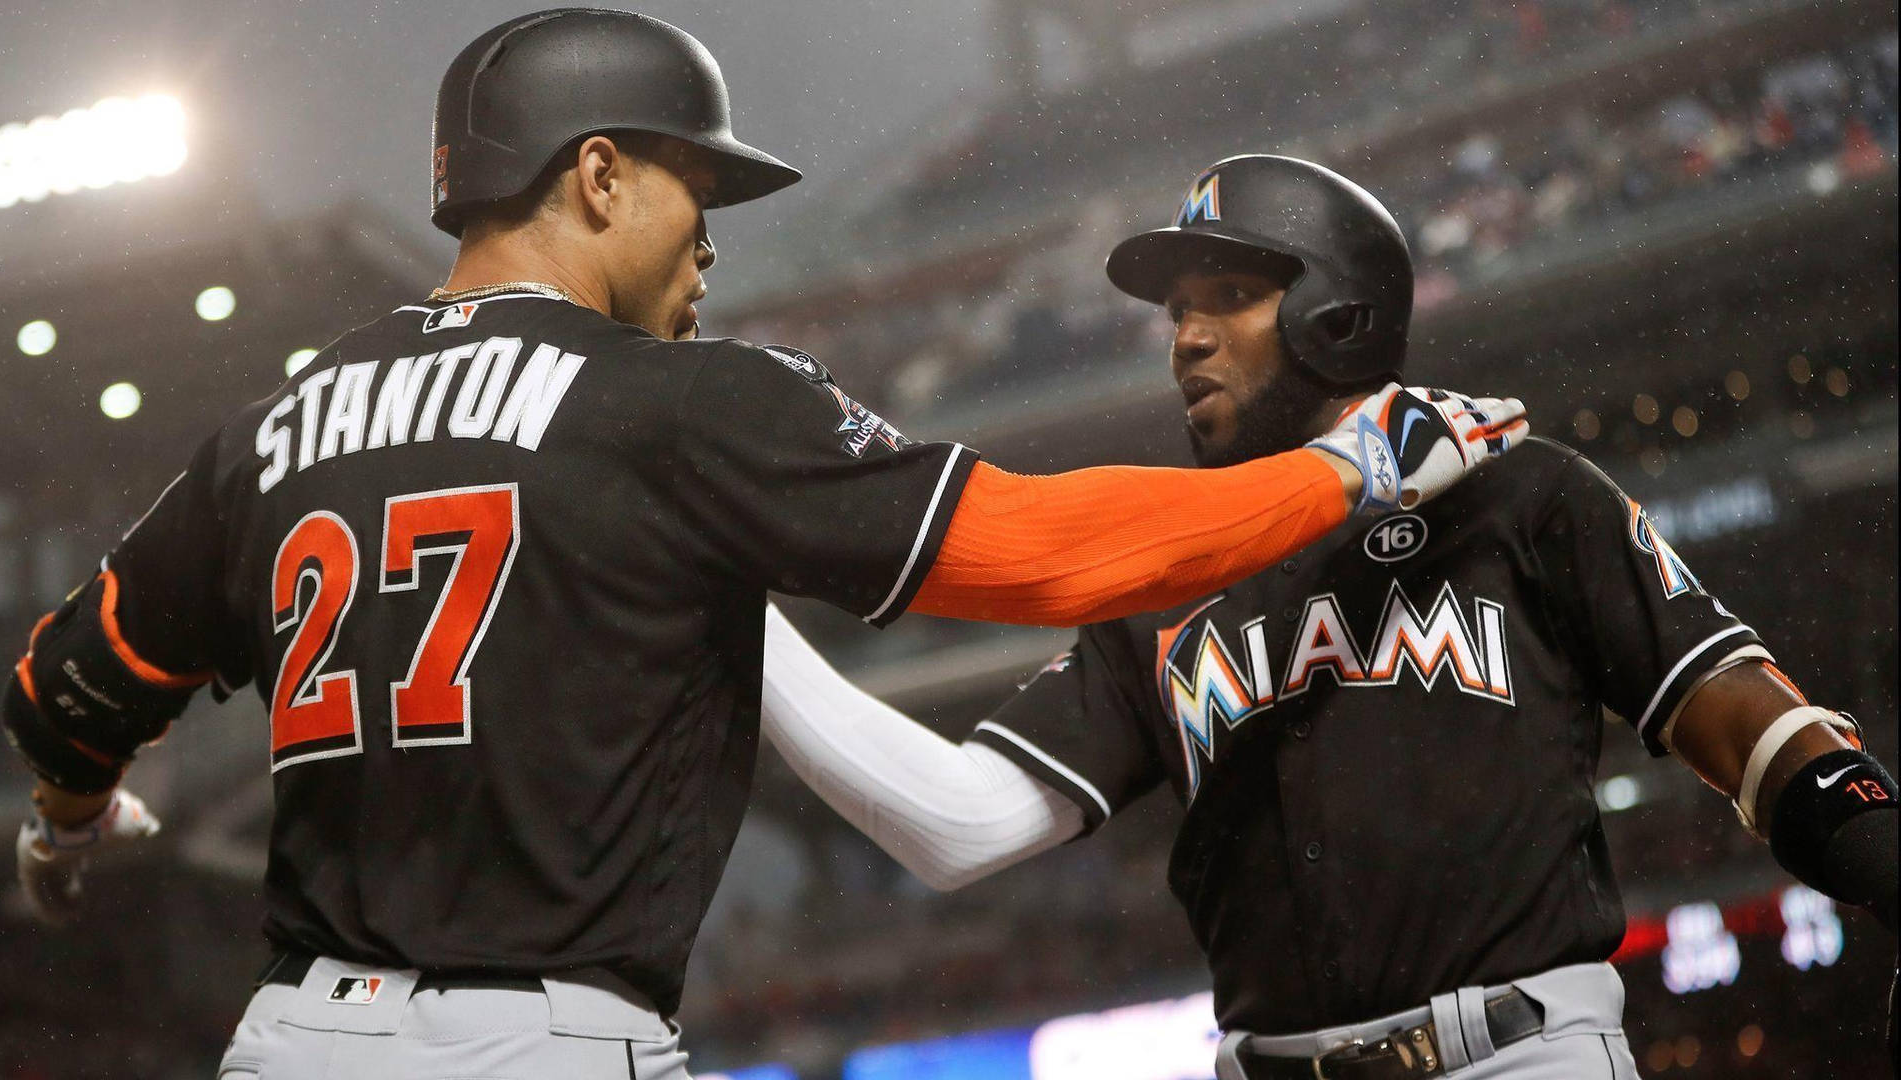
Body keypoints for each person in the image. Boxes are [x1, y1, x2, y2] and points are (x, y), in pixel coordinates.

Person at [0, 14, 1527, 1080]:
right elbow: (1044, 550)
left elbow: (66, 688)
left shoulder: (275, 427)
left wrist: (70, 827)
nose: (714, 234)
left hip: (289, 1045)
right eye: (696, 183)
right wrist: (1343, 474)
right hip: (540, 1043)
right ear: (596, 174)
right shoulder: (676, 403)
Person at [759, 154, 1900, 1078]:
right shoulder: (1158, 582)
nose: (1185, 336)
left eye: (1229, 297)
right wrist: (729, 613)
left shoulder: (1519, 495)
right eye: (1175, 313)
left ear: (1337, 309)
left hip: (1515, 1057)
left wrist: (1884, 858)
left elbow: (1741, 716)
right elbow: (958, 824)